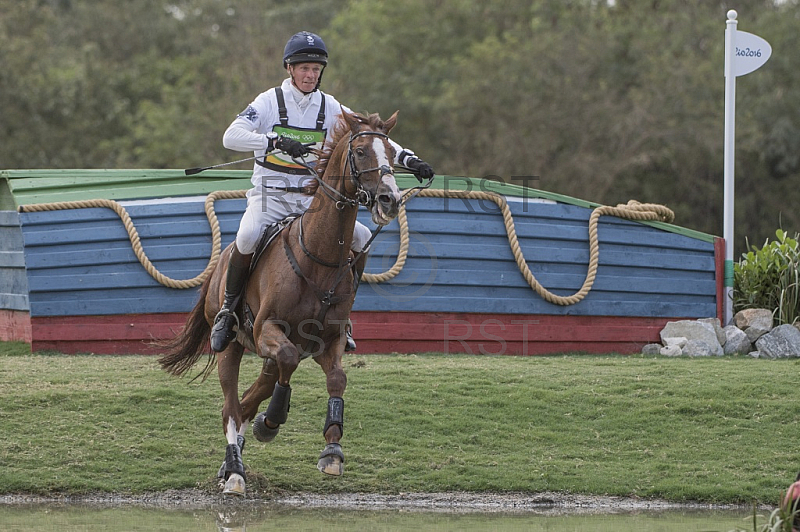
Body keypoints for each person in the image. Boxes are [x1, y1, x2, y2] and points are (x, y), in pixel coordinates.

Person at [211, 31, 435, 353]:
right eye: (304, 68)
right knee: (246, 236)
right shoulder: (268, 101)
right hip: (269, 197)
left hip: (308, 202)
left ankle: (342, 316)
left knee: (359, 237)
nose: (310, 75)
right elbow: (230, 137)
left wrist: (408, 159)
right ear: (290, 68)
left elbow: (371, 135)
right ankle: (227, 311)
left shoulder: (330, 107)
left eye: (316, 69)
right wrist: (271, 141)